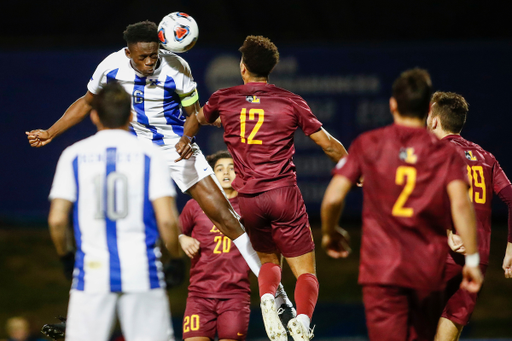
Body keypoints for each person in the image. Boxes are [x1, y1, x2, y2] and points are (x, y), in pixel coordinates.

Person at [25, 20, 293, 314]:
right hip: (135, 152)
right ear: (129, 53)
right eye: (143, 57)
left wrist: (187, 138)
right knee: (113, 224)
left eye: (154, 54)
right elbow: (87, 102)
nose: (150, 61)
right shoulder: (111, 66)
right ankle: (83, 307)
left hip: (174, 147)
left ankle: (277, 298)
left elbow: (193, 113)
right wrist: (51, 132)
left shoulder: (177, 68)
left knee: (226, 216)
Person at [194, 35, 347, 341]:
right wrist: (352, 167)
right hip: (283, 194)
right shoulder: (290, 101)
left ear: (242, 67)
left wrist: (192, 127)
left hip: (249, 198)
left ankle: (266, 297)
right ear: (271, 69)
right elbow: (327, 144)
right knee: (306, 273)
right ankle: (301, 322)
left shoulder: (224, 98)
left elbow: (199, 118)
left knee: (267, 262)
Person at [321, 68, 483, 341]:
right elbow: (462, 205)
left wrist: (329, 232)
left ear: (392, 104)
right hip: (427, 271)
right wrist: (474, 259)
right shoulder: (445, 154)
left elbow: (334, 196)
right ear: (427, 111)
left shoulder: (368, 143)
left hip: (381, 270)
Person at [47, 82, 180, 341]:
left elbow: (56, 220)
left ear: (94, 115)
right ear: (131, 116)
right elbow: (167, 220)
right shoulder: (150, 155)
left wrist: (66, 256)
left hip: (91, 271)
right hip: (142, 269)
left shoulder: (73, 155)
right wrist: (175, 258)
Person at [426, 91, 512, 341]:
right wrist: (510, 246)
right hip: (477, 259)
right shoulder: (486, 157)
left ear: (434, 120)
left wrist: (447, 232)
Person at [179, 150, 253, 341]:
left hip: (235, 296)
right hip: (199, 295)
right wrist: (182, 238)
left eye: (232, 168)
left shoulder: (251, 208)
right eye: (220, 169)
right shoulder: (195, 206)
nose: (226, 173)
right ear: (211, 174)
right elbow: (174, 234)